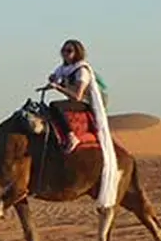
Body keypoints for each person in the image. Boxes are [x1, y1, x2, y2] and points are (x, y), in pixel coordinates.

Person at [46, 38, 119, 206]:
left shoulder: (82, 70)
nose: (65, 54)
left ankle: (71, 137)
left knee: (55, 106)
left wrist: (57, 88)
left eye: (69, 51)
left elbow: (78, 96)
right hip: (74, 103)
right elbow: (56, 77)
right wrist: (53, 80)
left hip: (85, 104)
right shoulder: (64, 68)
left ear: (77, 52)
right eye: (64, 51)